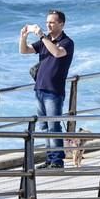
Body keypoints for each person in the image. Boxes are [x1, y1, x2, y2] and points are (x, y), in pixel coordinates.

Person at [19, 10, 74, 169]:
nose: (48, 25)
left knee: (54, 126)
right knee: (44, 127)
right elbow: (24, 50)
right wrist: (23, 37)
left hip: (54, 90)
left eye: (52, 22)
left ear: (61, 24)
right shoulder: (46, 40)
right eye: (47, 22)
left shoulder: (67, 42)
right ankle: (50, 158)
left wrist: (42, 36)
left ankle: (57, 161)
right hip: (40, 89)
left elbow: (57, 53)